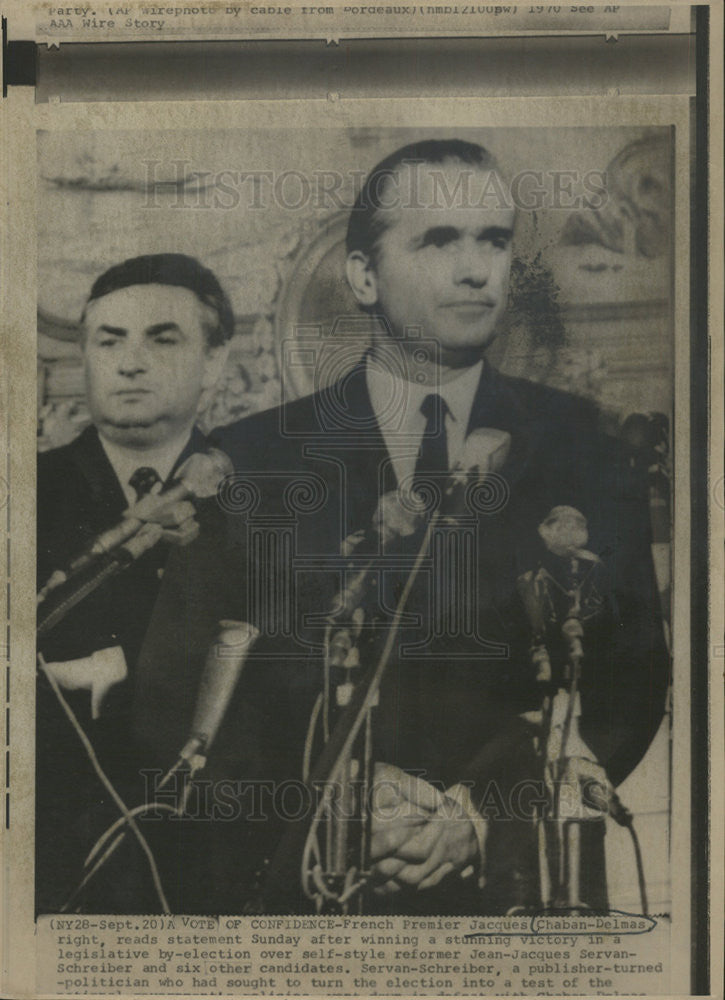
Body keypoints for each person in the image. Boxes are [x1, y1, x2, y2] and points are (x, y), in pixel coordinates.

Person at [135, 140, 670, 915]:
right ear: (362, 276)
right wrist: (321, 803)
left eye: (493, 239)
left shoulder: (586, 447)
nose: (475, 268)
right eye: (437, 239)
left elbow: (628, 686)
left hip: (516, 899)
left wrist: (476, 818)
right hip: (299, 904)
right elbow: (171, 699)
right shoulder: (245, 463)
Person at [36, 253, 233, 912]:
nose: (128, 363)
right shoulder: (23, 495)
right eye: (108, 340)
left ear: (216, 363)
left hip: (217, 875)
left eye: (162, 338)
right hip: (54, 872)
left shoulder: (271, 510)